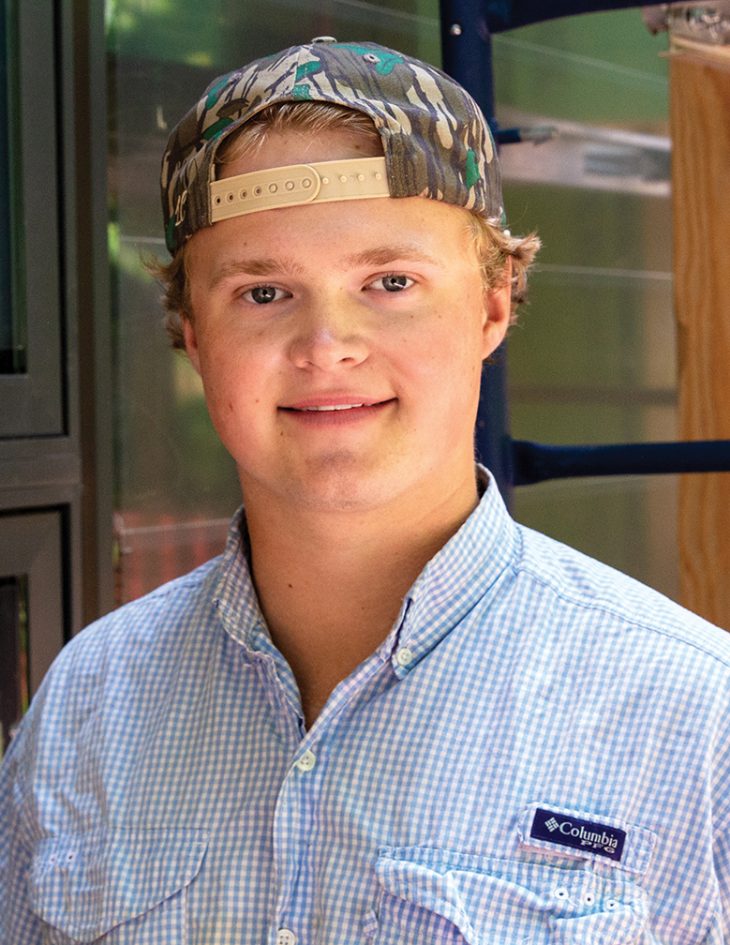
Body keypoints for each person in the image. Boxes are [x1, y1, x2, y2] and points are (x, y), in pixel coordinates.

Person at [1, 36, 729, 945]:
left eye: (390, 282)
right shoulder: (86, 704)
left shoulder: (695, 719)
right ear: (189, 329)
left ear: (495, 304)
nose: (326, 345)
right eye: (263, 292)